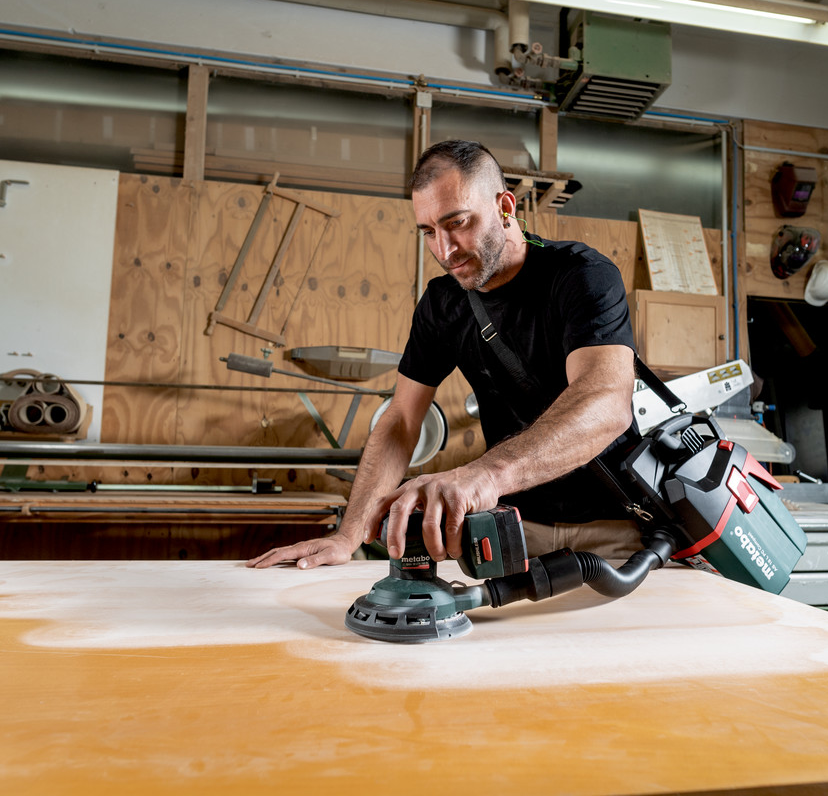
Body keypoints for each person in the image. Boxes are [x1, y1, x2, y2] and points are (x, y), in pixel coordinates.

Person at [248, 139, 640, 570]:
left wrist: (486, 475)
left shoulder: (580, 276)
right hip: (516, 526)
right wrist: (349, 533)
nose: (444, 250)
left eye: (458, 223)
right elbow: (400, 420)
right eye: (429, 231)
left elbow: (606, 402)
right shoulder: (443, 303)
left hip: (616, 526)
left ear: (505, 206)